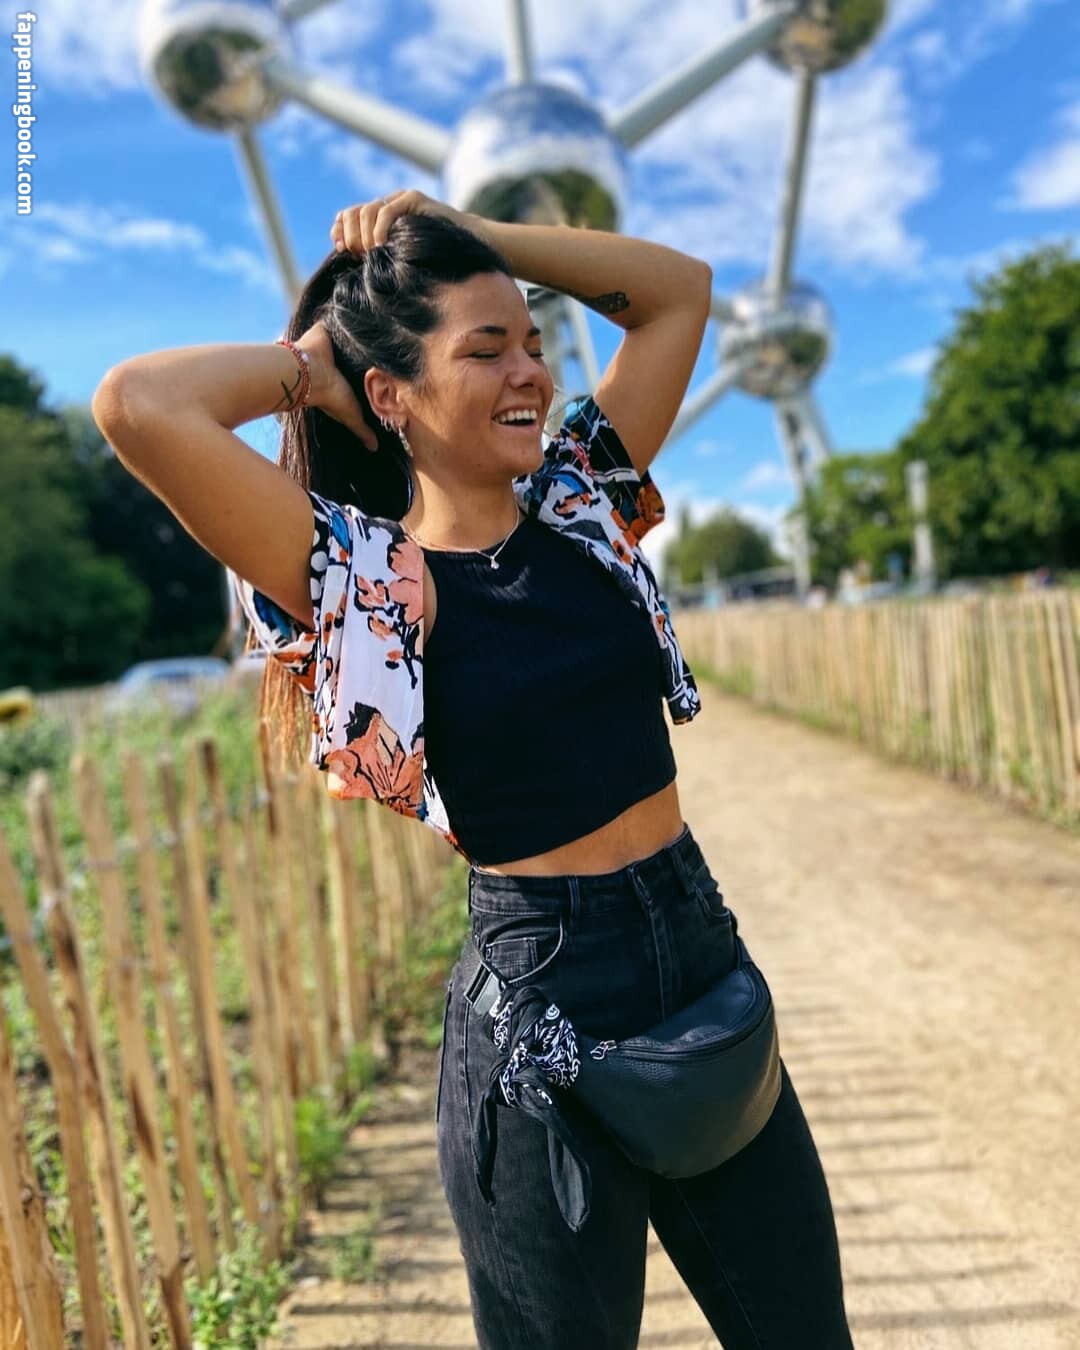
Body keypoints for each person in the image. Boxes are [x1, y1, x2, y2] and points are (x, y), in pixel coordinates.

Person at [91, 190, 853, 1349]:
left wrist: (477, 238)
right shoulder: (366, 580)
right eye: (486, 350)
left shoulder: (584, 500)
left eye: (533, 345)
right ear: (393, 396)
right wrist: (312, 371)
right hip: (538, 1001)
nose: (530, 373)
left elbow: (678, 294)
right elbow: (138, 405)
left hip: (696, 951)